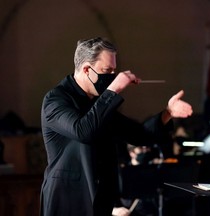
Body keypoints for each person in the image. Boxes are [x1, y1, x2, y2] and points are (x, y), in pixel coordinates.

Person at [40, 36, 193, 216]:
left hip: (101, 200)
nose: (111, 78)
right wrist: (114, 89)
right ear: (87, 69)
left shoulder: (100, 102)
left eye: (114, 72)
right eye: (107, 71)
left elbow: (139, 134)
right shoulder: (56, 99)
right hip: (69, 200)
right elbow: (83, 131)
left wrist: (168, 113)